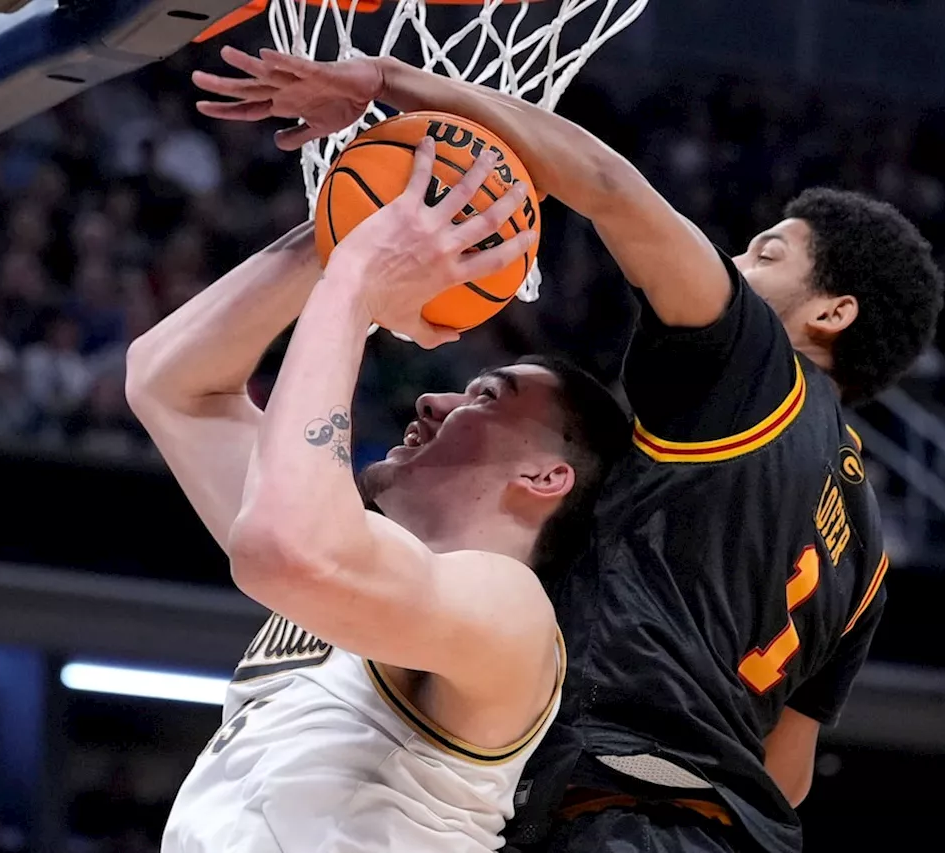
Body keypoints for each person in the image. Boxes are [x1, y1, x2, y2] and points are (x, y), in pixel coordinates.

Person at [192, 49, 945, 853]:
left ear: (833, 312)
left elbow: (611, 189)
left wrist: (386, 83)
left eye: (764, 254)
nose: (731, 263)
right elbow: (788, 773)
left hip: (618, 815)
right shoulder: (865, 555)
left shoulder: (756, 370)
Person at [127, 143, 631, 852]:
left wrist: (359, 285)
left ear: (547, 477)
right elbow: (171, 384)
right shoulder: (360, 556)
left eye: (485, 395)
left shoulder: (514, 612)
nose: (431, 397)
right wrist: (346, 225)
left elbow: (282, 547)